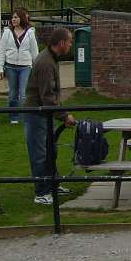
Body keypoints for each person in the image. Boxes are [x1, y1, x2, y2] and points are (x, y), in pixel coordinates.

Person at [22, 27, 75, 205]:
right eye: (69, 41)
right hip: (36, 114)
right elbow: (47, 96)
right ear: (62, 43)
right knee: (40, 154)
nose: (70, 45)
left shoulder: (51, 58)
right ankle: (41, 192)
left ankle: (52, 184)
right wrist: (64, 116)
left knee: (51, 151)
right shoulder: (46, 63)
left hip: (45, 114)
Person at [0, 8, 39, 124]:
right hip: (10, 67)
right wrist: (0, 68)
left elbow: (35, 52)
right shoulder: (7, 32)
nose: (13, 19)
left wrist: (37, 69)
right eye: (12, 17)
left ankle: (26, 116)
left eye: (16, 17)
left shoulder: (30, 33)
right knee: (13, 93)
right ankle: (14, 117)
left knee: (23, 94)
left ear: (22, 18)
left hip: (25, 67)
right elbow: (1, 51)